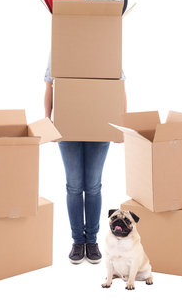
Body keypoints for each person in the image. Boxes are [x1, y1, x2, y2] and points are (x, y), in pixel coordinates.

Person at [44, 55, 126, 264]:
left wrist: (121, 126)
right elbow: (50, 87)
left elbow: (119, 88)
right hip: (68, 128)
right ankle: (77, 241)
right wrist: (48, 121)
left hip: (98, 127)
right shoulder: (60, 49)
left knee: (92, 187)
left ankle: (91, 240)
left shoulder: (107, 50)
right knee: (73, 186)